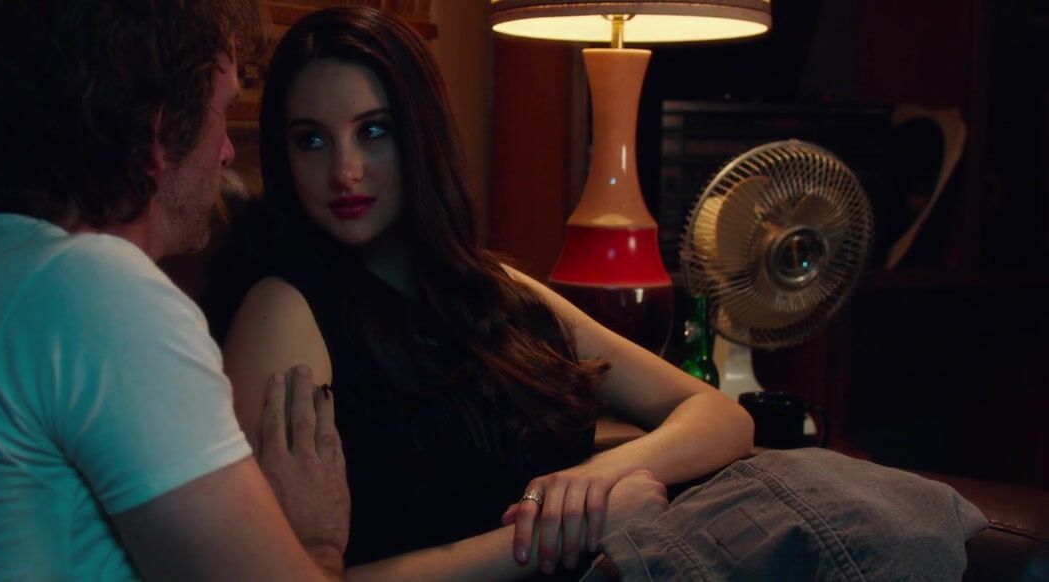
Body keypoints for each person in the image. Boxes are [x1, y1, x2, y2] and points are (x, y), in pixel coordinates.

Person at [209, 6, 755, 579]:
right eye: (312, 140)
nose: (344, 171)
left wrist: (593, 482)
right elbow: (278, 574)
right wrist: (561, 533)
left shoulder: (491, 285)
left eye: (373, 131)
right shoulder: (284, 309)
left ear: (421, 133)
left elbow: (720, 415)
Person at [0, 1, 350, 579]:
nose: (227, 151)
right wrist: (319, 541)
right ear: (159, 132)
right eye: (222, 112)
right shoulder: (100, 292)